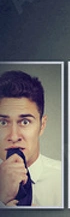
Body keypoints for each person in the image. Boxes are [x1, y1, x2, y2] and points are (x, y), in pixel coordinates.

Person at [0, 70, 61, 207]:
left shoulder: (65, 180)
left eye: (25, 122)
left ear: (42, 125)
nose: (14, 137)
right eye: (2, 122)